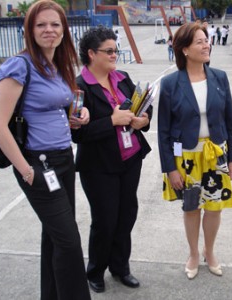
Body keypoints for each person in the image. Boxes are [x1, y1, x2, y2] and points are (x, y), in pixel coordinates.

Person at [0, 1, 91, 299]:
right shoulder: (18, 66)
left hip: (63, 160)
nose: (49, 30)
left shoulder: (56, 65)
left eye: (55, 25)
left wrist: (76, 117)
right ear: (30, 30)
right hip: (37, 165)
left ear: (64, 30)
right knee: (69, 242)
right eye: (41, 25)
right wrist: (25, 169)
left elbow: (54, 109)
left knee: (55, 236)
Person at [157, 22, 232, 280]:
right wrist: (170, 168)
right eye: (200, 42)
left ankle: (210, 251)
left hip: (216, 154)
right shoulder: (171, 83)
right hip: (187, 158)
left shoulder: (219, 77)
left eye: (207, 40)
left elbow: (230, 121)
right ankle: (193, 253)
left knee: (215, 207)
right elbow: (163, 131)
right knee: (191, 208)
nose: (207, 45)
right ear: (184, 50)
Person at [73, 26, 152, 293]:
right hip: (98, 166)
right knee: (105, 219)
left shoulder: (122, 77)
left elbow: (143, 106)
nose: (114, 55)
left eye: (115, 50)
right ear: (91, 53)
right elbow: (78, 134)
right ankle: (95, 270)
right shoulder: (79, 87)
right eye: (109, 51)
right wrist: (111, 121)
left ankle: (120, 267)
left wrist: (143, 119)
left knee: (127, 214)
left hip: (131, 159)